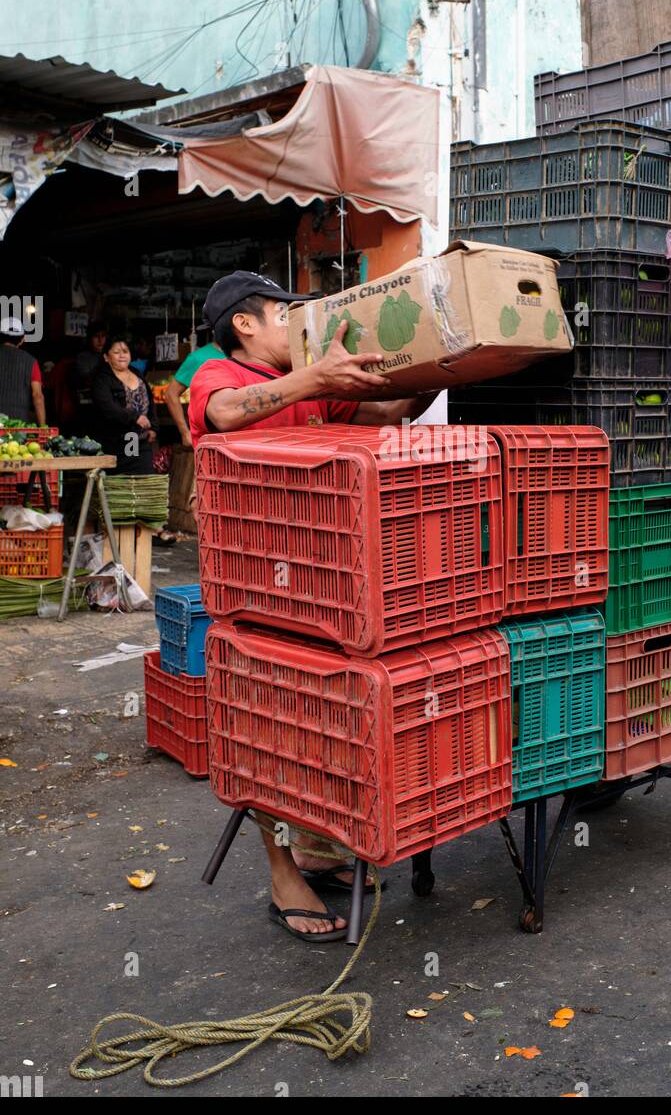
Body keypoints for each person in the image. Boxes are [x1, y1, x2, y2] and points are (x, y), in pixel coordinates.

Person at [190, 270, 439, 943]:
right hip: (251, 595)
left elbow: (386, 415)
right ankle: (282, 875)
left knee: (320, 727)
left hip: (322, 589)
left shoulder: (310, 389)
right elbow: (224, 418)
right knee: (262, 742)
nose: (300, 327)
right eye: (285, 315)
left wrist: (442, 365)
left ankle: (315, 851)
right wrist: (317, 378)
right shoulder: (219, 378)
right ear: (246, 325)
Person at [90, 336, 157, 474]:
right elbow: (108, 407)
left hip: (140, 440)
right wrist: (135, 417)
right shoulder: (101, 378)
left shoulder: (137, 373)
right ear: (106, 357)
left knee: (144, 478)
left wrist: (154, 427)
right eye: (116, 352)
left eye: (125, 351)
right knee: (124, 480)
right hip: (117, 441)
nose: (122, 356)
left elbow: (150, 401)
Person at [164, 325, 224, 447]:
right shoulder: (198, 358)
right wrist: (184, 432)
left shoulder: (248, 354)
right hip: (210, 440)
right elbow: (171, 394)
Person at [0, 316, 46, 424]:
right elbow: (37, 396)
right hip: (18, 426)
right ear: (22, 339)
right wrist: (43, 426)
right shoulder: (31, 361)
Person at [74, 322, 107, 410]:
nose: (100, 340)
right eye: (96, 336)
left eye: (103, 336)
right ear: (89, 338)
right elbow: (87, 381)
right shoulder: (82, 357)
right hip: (90, 404)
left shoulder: (109, 354)